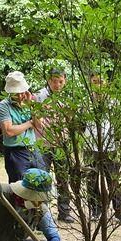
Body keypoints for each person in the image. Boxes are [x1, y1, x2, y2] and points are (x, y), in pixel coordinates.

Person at [85, 73, 121, 224]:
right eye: (95, 82)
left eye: (101, 82)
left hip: (110, 147)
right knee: (91, 180)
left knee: (113, 181)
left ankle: (119, 212)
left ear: (107, 84)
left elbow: (120, 127)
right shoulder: (85, 102)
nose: (98, 85)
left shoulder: (113, 103)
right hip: (90, 147)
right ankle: (95, 210)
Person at [34, 68, 73, 223]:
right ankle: (41, 214)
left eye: (60, 81)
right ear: (49, 80)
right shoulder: (39, 96)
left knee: (63, 178)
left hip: (61, 144)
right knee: (42, 178)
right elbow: (36, 120)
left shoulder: (65, 98)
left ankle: (64, 211)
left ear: (65, 81)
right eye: (54, 81)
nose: (57, 84)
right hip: (43, 144)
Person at [0, 71, 44, 183]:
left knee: (41, 181)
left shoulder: (31, 102)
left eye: (21, 92)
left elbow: (39, 125)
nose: (19, 96)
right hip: (15, 151)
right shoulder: (3, 106)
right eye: (15, 93)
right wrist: (29, 123)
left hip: (33, 148)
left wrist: (31, 105)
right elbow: (9, 131)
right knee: (19, 186)